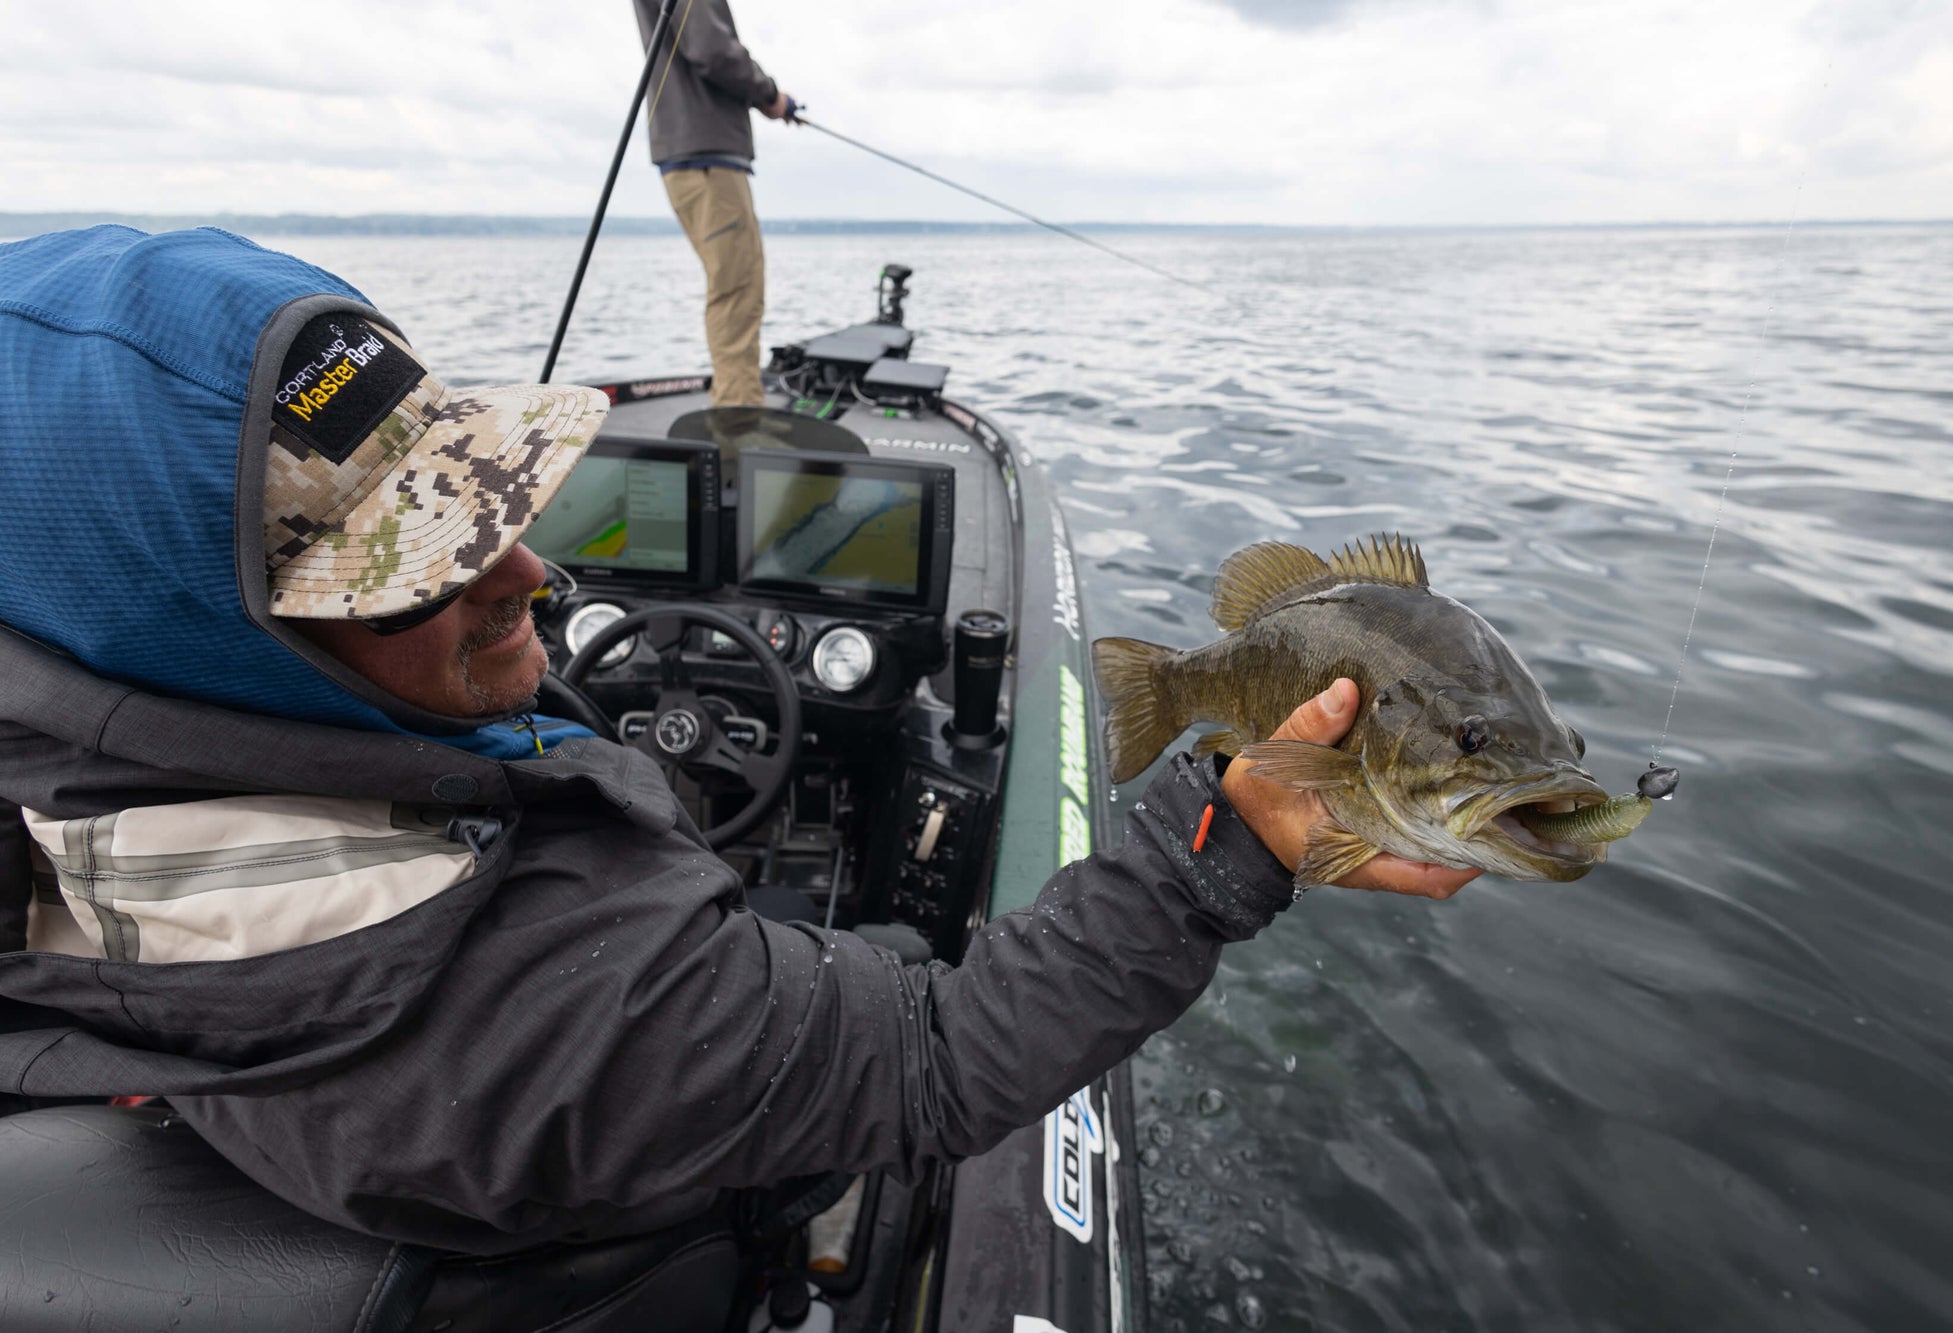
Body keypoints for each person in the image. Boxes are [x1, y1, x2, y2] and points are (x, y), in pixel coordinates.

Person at [0, 225, 1478, 1254]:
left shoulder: (69, 786)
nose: (528, 575)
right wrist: (1228, 838)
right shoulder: (571, 1003)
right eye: (426, 564)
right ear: (210, 646)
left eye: (493, 500)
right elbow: (933, 1063)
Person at [633, 0, 796, 410]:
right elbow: (712, 50)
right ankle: (738, 430)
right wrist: (770, 93)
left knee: (732, 289)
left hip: (693, 153)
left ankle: (734, 415)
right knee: (738, 291)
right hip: (707, 157)